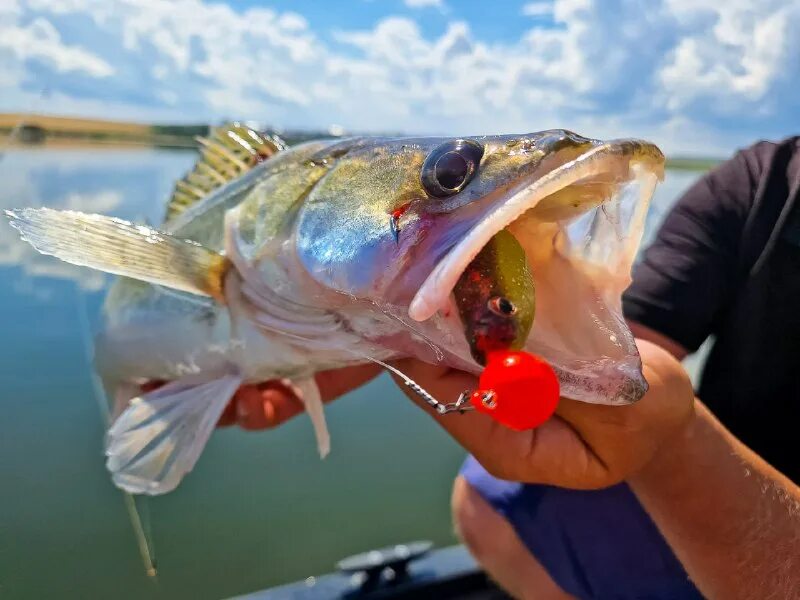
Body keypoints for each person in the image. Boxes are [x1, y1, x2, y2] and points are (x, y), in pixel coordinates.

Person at [226, 135, 800, 598]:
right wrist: (391, 334)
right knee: (490, 496)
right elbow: (631, 340)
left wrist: (675, 447)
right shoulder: (755, 184)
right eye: (450, 174)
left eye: (449, 174)